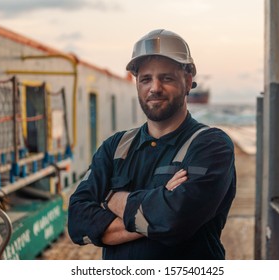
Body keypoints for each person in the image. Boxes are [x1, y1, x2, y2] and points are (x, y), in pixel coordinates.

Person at [68, 29, 236, 260]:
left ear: (188, 81)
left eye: (166, 78)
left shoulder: (211, 146)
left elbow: (174, 220)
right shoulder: (115, 147)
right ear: (137, 84)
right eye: (146, 79)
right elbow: (77, 222)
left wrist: (109, 198)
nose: (154, 88)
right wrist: (158, 204)